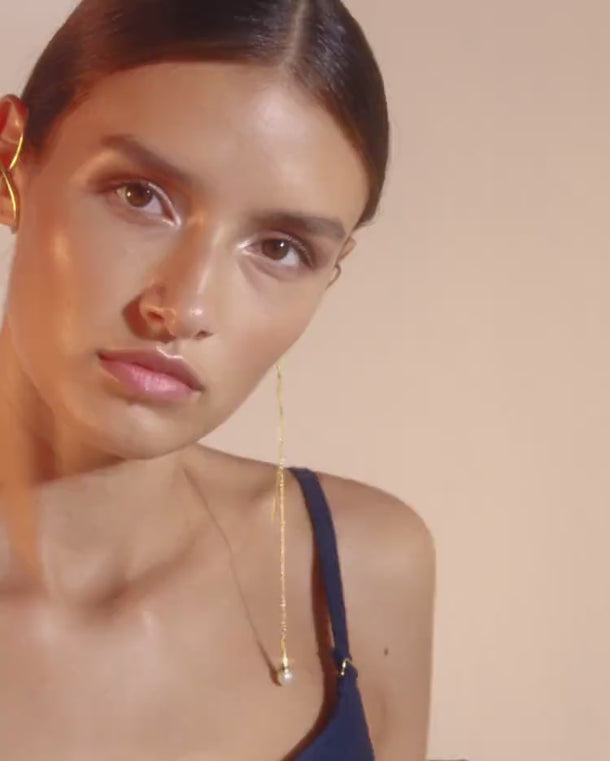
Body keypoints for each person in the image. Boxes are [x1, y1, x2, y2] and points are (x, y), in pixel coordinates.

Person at [0, 1, 435, 759]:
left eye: (280, 247)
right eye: (140, 195)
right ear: (11, 161)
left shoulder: (367, 569)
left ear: (332, 273)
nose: (186, 307)